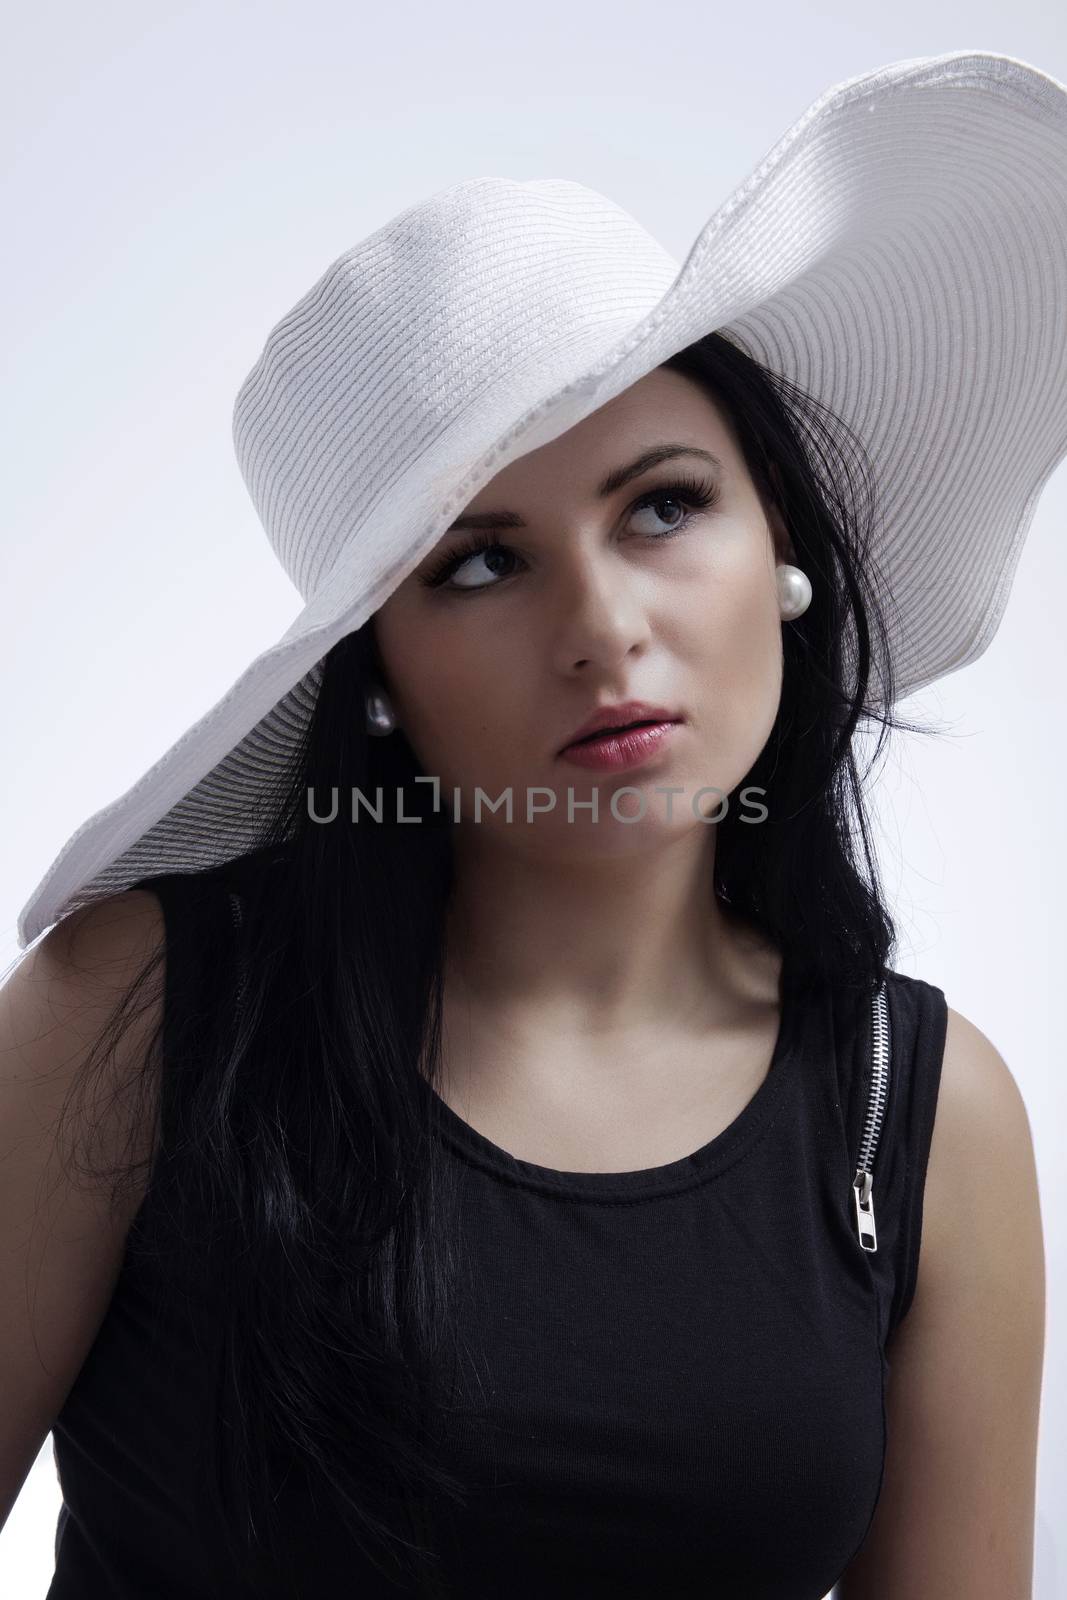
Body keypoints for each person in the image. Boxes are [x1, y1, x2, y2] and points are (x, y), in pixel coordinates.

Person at [1, 50, 1057, 1600]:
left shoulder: (925, 1112)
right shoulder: (140, 1016)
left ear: (783, 542)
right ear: (376, 681)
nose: (602, 629)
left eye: (662, 505)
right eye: (481, 565)